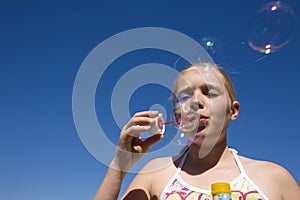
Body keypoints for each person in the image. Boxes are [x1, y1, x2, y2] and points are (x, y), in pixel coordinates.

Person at [94, 62, 300, 200]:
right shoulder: (155, 174)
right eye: (184, 97)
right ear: (177, 117)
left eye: (209, 92)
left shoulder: (274, 178)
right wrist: (120, 165)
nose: (195, 102)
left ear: (233, 110)